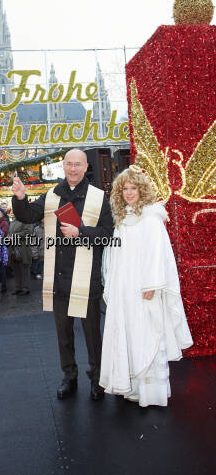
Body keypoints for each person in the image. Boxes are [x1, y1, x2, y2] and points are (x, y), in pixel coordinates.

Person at [12, 148, 113, 401]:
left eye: (78, 164)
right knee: (63, 336)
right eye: (69, 164)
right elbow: (26, 215)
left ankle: (97, 378)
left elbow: (108, 234)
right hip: (58, 279)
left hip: (87, 279)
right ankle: (69, 376)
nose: (73, 169)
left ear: (85, 166)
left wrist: (81, 233)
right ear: (63, 166)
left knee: (92, 336)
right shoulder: (52, 194)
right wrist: (20, 197)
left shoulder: (98, 197)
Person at [99, 167, 193, 407]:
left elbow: (157, 254)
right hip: (124, 287)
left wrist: (150, 285)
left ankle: (152, 392)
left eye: (134, 188)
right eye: (125, 189)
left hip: (143, 287)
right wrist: (112, 281)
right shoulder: (123, 217)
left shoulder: (151, 217)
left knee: (147, 333)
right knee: (129, 333)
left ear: (142, 189)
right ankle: (132, 387)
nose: (129, 193)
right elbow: (115, 253)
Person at [7, 216, 34, 295]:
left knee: (24, 269)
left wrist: (14, 236)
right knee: (16, 269)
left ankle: (25, 288)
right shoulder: (13, 221)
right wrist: (9, 237)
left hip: (23, 249)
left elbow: (28, 232)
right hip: (14, 248)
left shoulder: (27, 219)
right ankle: (18, 288)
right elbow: (9, 232)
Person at [0, 207, 10, 292]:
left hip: (1, 247)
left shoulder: (4, 223)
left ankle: (3, 286)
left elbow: (3, 234)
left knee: (2, 268)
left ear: (3, 214)